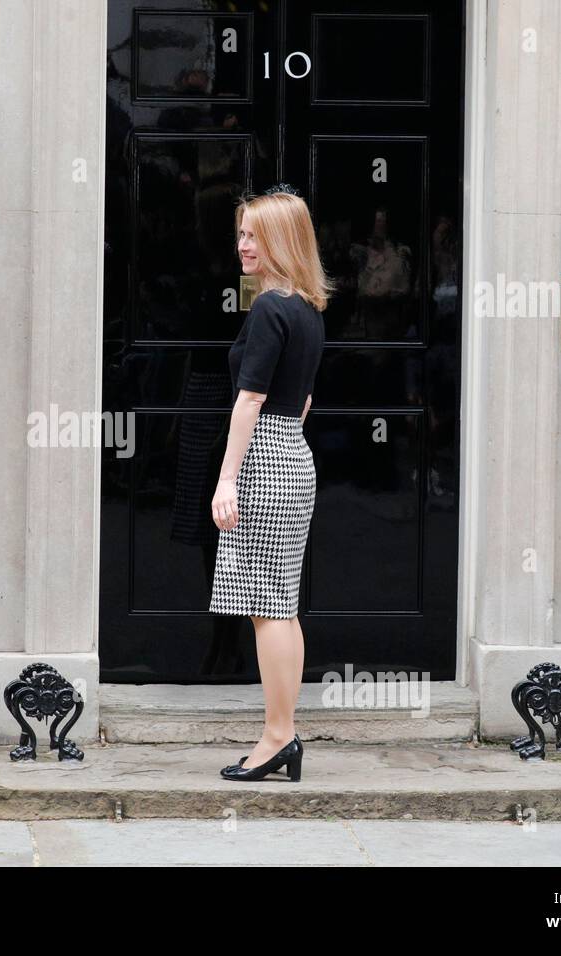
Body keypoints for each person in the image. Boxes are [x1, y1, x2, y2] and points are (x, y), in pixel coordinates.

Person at [208, 187, 328, 783]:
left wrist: (228, 478)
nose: (243, 244)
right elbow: (302, 403)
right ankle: (284, 733)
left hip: (264, 460)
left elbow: (250, 397)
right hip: (293, 453)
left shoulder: (268, 309)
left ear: (281, 240)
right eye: (241, 234)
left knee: (267, 608)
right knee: (279, 605)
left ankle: (278, 736)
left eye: (253, 234)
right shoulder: (306, 309)